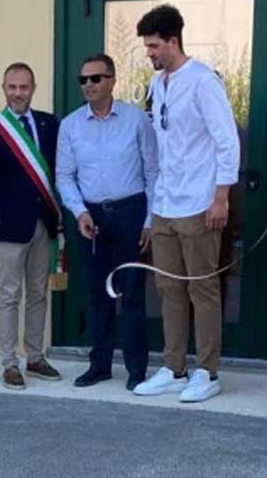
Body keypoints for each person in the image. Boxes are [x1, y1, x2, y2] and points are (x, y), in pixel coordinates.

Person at [133, 5, 239, 403]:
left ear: (173, 41)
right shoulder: (157, 84)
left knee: (202, 289)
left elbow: (226, 140)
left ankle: (208, 371)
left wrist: (221, 198)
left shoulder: (203, 82)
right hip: (165, 204)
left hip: (199, 203)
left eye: (155, 46)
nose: (151, 53)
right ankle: (173, 367)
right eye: (148, 47)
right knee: (168, 288)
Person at [57, 54, 156, 391]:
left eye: (96, 78)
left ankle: (137, 370)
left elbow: (153, 172)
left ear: (112, 80)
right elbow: (64, 176)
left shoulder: (136, 121)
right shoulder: (70, 125)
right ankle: (99, 366)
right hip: (91, 217)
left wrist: (149, 220)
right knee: (98, 295)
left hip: (131, 211)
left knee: (132, 295)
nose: (89, 85)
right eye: (83, 80)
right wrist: (79, 212)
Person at [0, 63, 63, 390]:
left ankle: (36, 357)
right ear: (3, 88)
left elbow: (59, 168)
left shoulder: (49, 123)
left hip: (44, 221)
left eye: (23, 87)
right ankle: (9, 363)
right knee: (10, 294)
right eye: (11, 87)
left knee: (39, 293)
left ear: (33, 87)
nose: (17, 93)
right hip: (11, 224)